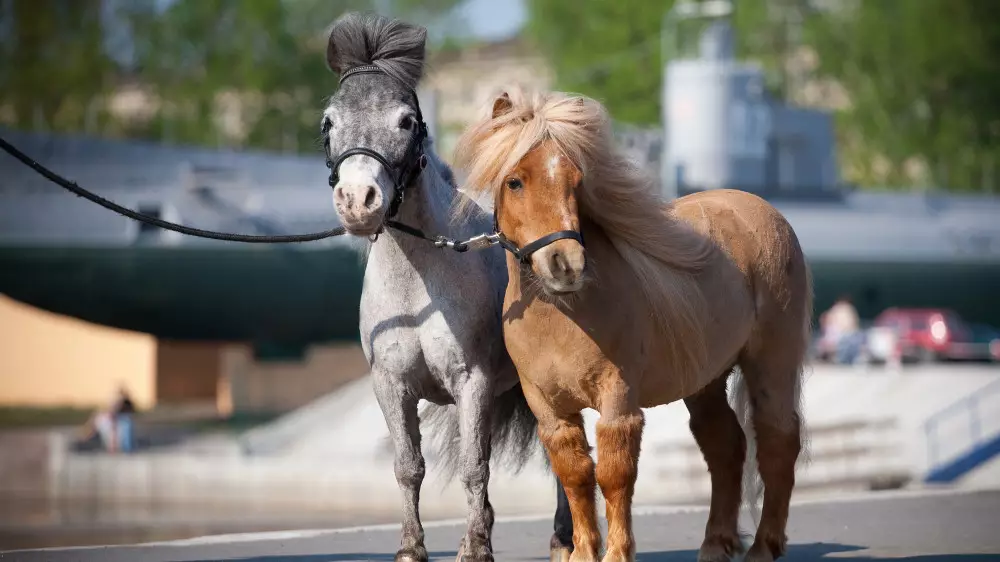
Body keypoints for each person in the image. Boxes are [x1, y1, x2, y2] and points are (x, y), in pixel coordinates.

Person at [111, 386, 137, 453]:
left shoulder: (126, 401)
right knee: (123, 435)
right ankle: (124, 448)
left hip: (126, 418)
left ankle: (128, 449)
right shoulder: (120, 401)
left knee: (127, 435)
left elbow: (131, 409)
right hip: (122, 418)